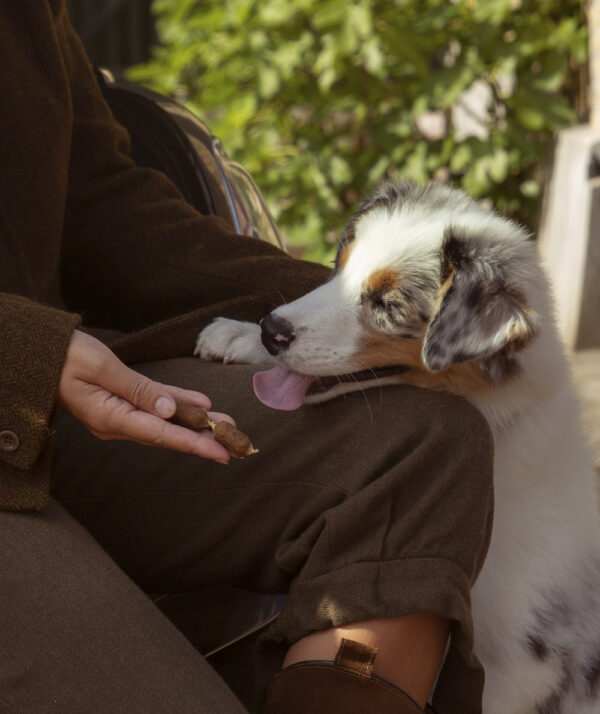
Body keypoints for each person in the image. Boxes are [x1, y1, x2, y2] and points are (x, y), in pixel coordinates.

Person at [0, 2, 494, 712]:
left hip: (56, 410)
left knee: (421, 446)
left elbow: (101, 205)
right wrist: (24, 352)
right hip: (27, 389)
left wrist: (339, 307)